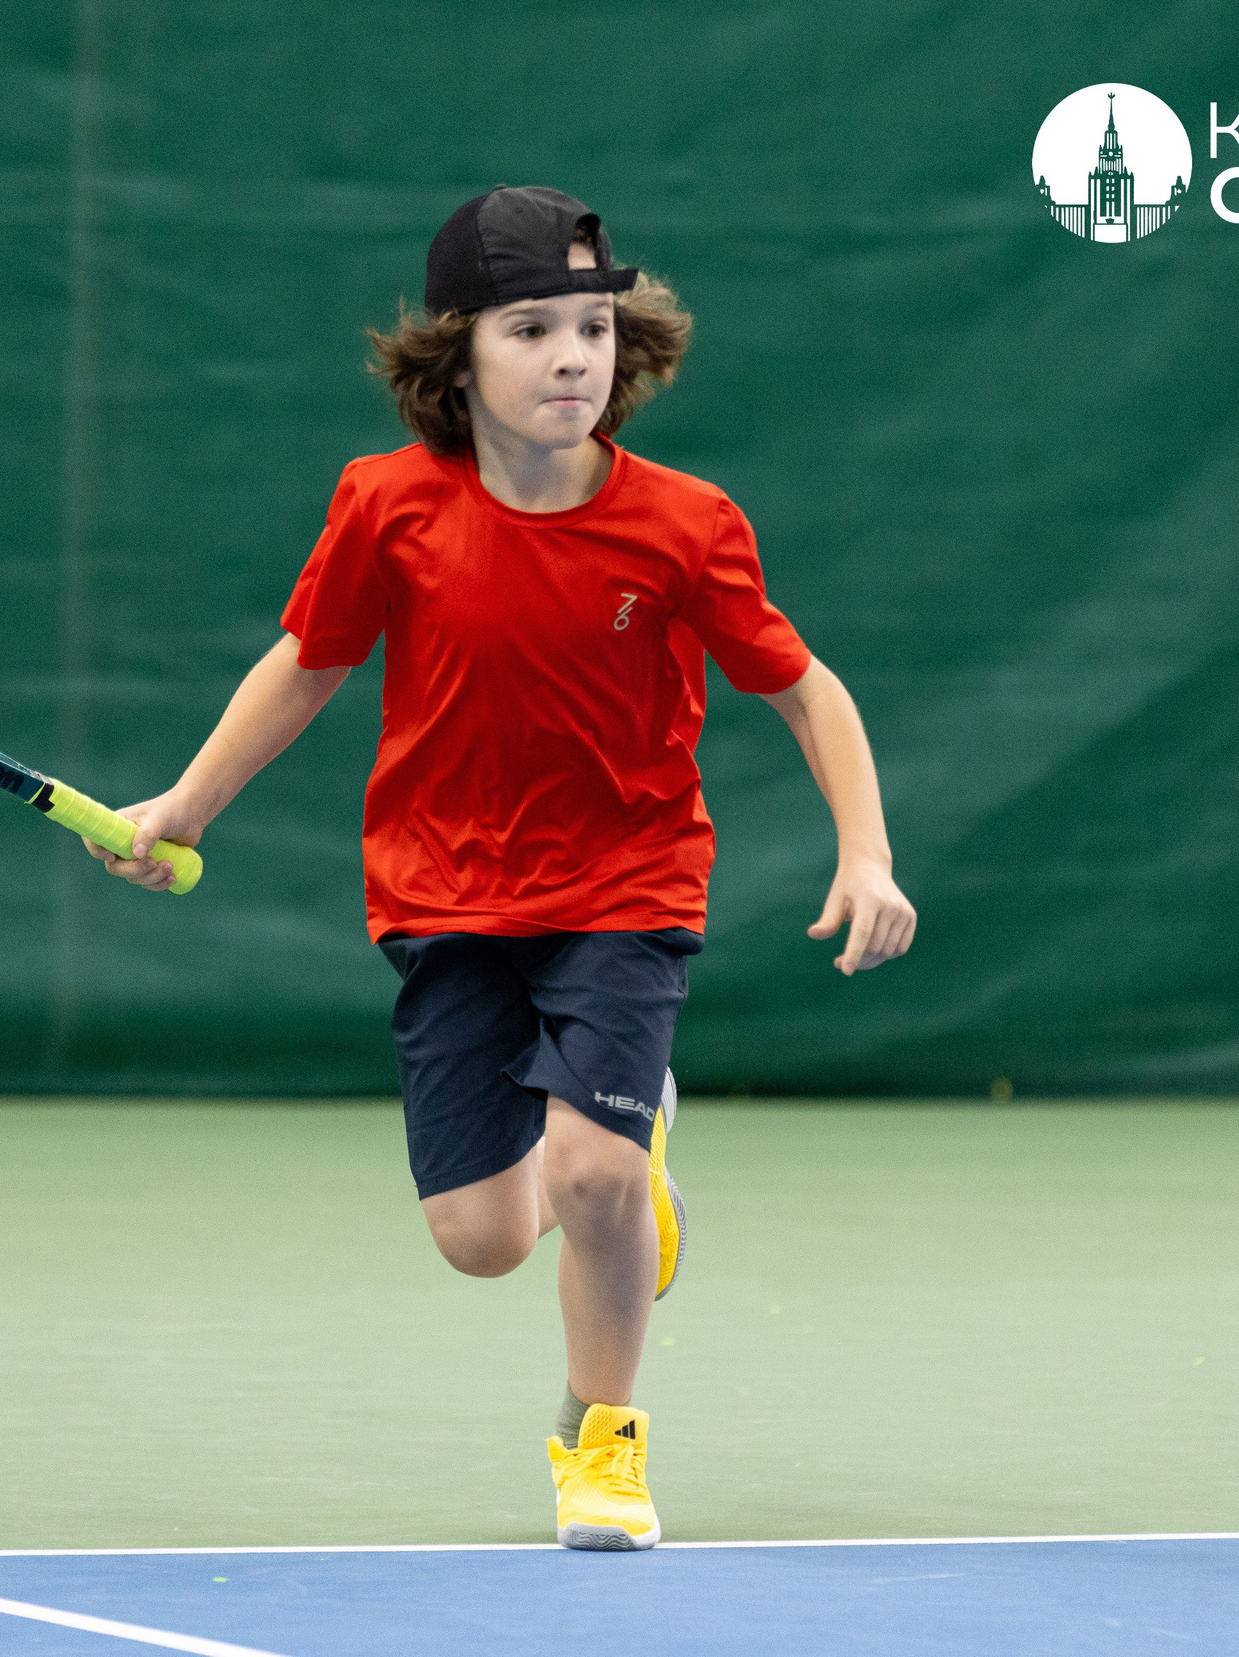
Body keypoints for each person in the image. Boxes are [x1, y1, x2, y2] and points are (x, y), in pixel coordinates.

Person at [87, 185, 915, 1550]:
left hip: (627, 888)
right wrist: (185, 803)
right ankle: (631, 1175)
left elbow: (808, 689)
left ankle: (604, 1445)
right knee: (479, 1237)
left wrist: (867, 852)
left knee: (588, 1176)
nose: (574, 356)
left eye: (595, 325)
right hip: (443, 896)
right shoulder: (385, 506)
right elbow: (307, 668)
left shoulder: (688, 524)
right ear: (456, 354)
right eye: (533, 328)